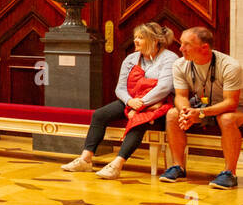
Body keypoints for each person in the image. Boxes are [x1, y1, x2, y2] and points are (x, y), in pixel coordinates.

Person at [60, 23, 176, 178]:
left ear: (155, 40)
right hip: (131, 101)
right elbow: (120, 88)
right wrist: (130, 101)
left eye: (140, 38)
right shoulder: (131, 59)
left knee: (138, 121)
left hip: (157, 103)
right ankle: (85, 159)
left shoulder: (170, 58)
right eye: (135, 37)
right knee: (100, 115)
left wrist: (140, 104)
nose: (135, 41)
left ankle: (117, 165)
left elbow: (164, 87)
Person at [159, 26, 243, 188]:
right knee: (172, 114)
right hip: (205, 107)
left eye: (186, 44)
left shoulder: (230, 66)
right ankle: (178, 166)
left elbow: (230, 103)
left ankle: (229, 173)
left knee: (226, 118)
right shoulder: (180, 64)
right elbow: (181, 96)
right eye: (181, 43)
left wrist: (201, 113)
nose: (181, 48)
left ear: (204, 47)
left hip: (237, 108)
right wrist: (186, 112)